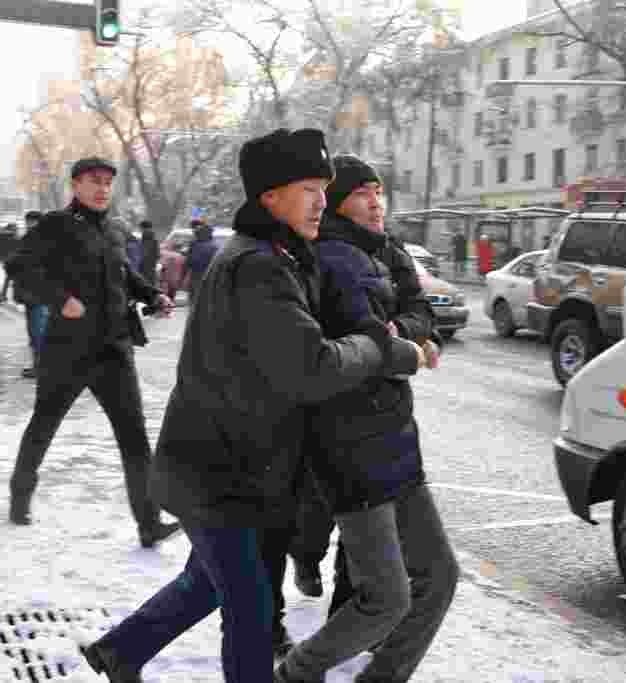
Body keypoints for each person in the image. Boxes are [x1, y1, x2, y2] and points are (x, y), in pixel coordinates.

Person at [81, 129, 426, 683]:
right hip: (216, 473)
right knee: (252, 607)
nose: (321, 201)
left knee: (207, 584)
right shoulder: (259, 266)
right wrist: (382, 349)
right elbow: (311, 366)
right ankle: (121, 654)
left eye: (325, 189)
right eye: (309, 188)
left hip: (228, 467)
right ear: (270, 196)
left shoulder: (280, 254)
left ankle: (120, 652)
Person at [274, 154, 457, 683]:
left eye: (379, 191)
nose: (376, 201)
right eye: (363, 193)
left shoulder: (381, 251)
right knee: (387, 597)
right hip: (352, 444)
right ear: (337, 202)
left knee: (438, 577)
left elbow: (420, 314)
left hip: (393, 437)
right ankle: (296, 674)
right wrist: (406, 342)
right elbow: (367, 338)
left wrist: (409, 335)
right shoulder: (332, 257)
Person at [7, 157, 180, 551]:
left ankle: (148, 523)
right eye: (93, 181)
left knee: (134, 437)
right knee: (44, 424)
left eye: (107, 182)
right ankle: (20, 495)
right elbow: (18, 266)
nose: (102, 189)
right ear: (76, 185)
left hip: (114, 349)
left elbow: (125, 276)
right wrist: (59, 299)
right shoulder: (56, 225)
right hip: (67, 350)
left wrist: (152, 295)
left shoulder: (116, 228)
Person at [5, 210, 48, 379]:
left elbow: (16, 262)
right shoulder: (39, 239)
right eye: (28, 222)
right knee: (35, 330)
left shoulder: (36, 240)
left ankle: (41, 367)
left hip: (36, 291)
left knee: (38, 330)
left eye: (31, 222)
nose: (29, 225)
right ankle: (40, 365)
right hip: (35, 291)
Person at [181, 219, 218, 302]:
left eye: (196, 233)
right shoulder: (215, 246)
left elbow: (188, 263)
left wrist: (182, 277)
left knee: (195, 301)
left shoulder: (195, 245)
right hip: (209, 280)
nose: (194, 234)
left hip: (197, 279)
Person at [139, 220, 158, 285]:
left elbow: (144, 252)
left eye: (141, 228)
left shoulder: (146, 236)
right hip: (151, 265)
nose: (141, 230)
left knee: (146, 282)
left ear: (144, 228)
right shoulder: (153, 237)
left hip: (146, 265)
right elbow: (157, 254)